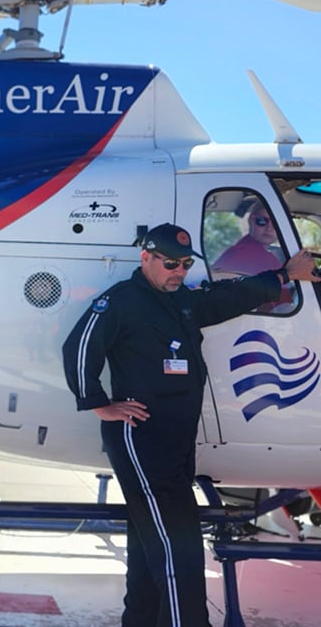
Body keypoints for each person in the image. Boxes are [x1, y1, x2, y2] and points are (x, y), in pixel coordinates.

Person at [61, 223, 320, 627]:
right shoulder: (122, 301)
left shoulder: (180, 300)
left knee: (152, 548)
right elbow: (79, 346)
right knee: (177, 549)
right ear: (145, 258)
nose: (178, 271)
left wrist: (284, 276)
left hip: (177, 442)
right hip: (141, 440)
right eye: (170, 263)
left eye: (184, 264)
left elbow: (228, 298)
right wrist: (98, 404)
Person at [212, 200, 292, 311]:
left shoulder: (238, 250)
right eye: (262, 221)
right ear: (251, 222)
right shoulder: (255, 256)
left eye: (276, 223)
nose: (269, 228)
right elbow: (284, 307)